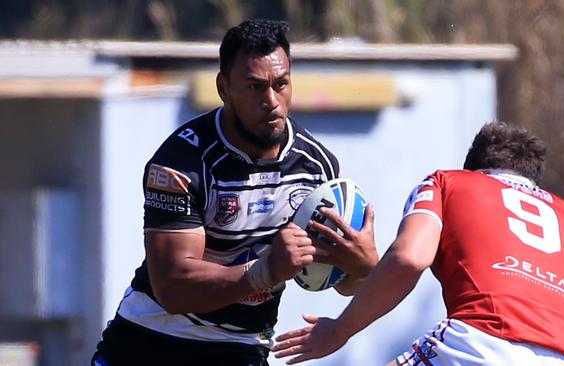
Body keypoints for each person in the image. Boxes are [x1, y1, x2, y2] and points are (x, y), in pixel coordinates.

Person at [91, 19, 378, 366]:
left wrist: (361, 269)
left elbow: (337, 280)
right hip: (151, 341)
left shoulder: (317, 167)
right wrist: (266, 271)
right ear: (223, 88)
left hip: (241, 347)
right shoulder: (181, 164)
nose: (271, 101)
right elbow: (174, 289)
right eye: (255, 87)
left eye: (281, 84)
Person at [272, 121, 564, 365]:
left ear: (474, 168)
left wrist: (340, 330)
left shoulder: (448, 182)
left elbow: (409, 259)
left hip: (477, 345)